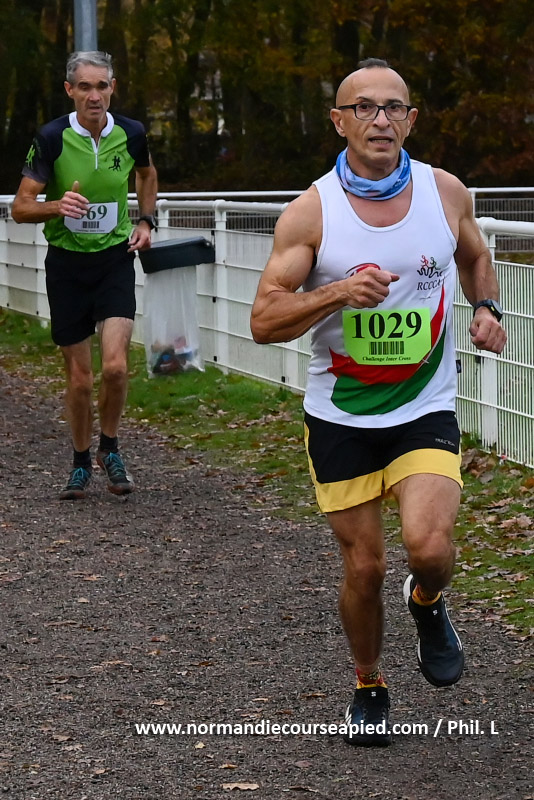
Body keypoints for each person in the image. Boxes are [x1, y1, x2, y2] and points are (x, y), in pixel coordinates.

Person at [250, 58, 506, 746]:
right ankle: (368, 684)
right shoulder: (311, 212)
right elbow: (264, 320)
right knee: (365, 568)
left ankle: (427, 601)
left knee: (429, 549)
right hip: (341, 416)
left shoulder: (445, 192)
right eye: (364, 107)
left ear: (411, 120)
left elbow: (475, 256)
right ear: (340, 121)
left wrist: (486, 307)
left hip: (424, 406)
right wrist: (338, 291)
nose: (381, 119)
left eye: (393, 107)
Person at [12, 51, 158, 500]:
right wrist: (58, 206)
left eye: (102, 86)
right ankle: (79, 461)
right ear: (70, 90)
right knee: (80, 379)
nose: (95, 96)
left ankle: (109, 449)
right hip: (67, 265)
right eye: (85, 87)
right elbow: (20, 208)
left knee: (115, 367)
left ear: (113, 88)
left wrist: (146, 220)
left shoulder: (131, 132)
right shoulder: (51, 138)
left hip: (114, 259)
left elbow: (147, 174)